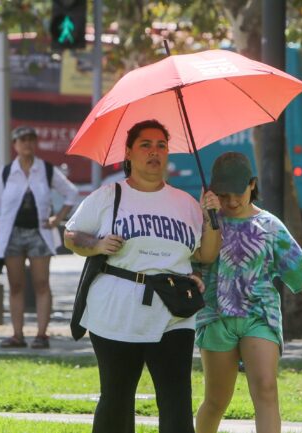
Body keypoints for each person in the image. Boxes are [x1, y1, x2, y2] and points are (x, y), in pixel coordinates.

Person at [63, 119, 221, 433]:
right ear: (129, 153)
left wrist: (211, 217)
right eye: (146, 145)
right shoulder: (109, 196)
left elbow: (206, 255)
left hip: (173, 312)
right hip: (116, 310)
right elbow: (71, 235)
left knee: (177, 398)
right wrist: (95, 244)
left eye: (162, 145)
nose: (155, 152)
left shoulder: (187, 204)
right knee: (117, 397)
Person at [194, 152, 302, 433]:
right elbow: (198, 259)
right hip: (216, 317)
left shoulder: (269, 226)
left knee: (266, 389)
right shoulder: (206, 221)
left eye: (238, 193)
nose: (231, 201)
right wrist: (207, 216)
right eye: (224, 194)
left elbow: (301, 269)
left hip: (260, 316)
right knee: (217, 400)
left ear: (252, 184)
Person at [0, 126, 79, 349]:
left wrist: (57, 218)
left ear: (35, 144)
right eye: (22, 140)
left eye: (30, 140)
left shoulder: (46, 170)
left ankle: (41, 334)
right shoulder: (8, 172)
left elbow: (71, 192)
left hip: (39, 232)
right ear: (15, 145)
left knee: (41, 284)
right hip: (12, 234)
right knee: (16, 285)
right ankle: (17, 335)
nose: (26, 144)